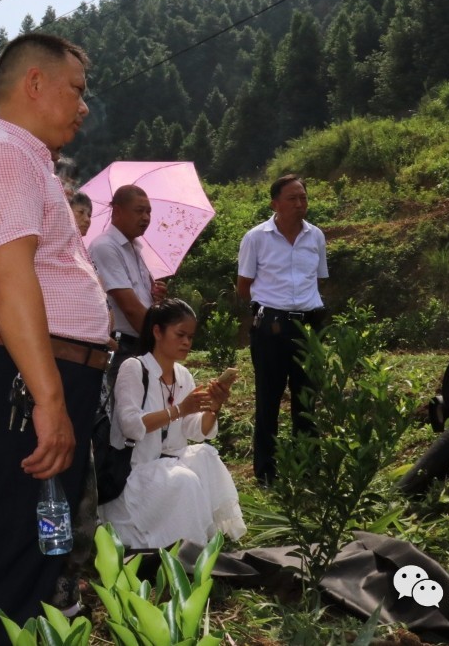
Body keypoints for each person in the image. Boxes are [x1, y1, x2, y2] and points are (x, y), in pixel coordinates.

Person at [0, 32, 110, 645]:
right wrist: (48, 400)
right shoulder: (2, 159)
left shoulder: (27, 162)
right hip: (25, 383)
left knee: (36, 563)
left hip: (37, 378)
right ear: (34, 84)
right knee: (10, 571)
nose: (84, 105)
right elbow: (8, 280)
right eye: (76, 90)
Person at [98, 299, 245, 550]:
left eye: (190, 336)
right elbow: (130, 426)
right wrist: (179, 409)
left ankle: (207, 539)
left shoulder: (183, 375)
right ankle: (186, 549)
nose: (187, 342)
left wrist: (214, 407)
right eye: (180, 335)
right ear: (157, 331)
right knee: (183, 479)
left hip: (169, 463)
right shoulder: (134, 368)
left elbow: (196, 431)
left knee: (206, 456)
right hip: (135, 472)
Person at [236, 174, 328, 486]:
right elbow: (243, 286)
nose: (300, 204)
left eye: (303, 197)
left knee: (306, 399)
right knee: (269, 399)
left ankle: (308, 470)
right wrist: (270, 308)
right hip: (270, 328)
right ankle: (266, 473)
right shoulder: (256, 238)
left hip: (309, 325)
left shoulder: (315, 236)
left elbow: (317, 278)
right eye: (292, 198)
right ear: (275, 203)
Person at [89, 185, 167, 362]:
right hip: (122, 345)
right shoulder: (106, 247)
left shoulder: (135, 248)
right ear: (117, 211)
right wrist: (159, 342)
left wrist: (155, 297)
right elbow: (130, 308)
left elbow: (140, 300)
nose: (146, 218)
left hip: (138, 341)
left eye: (148, 212)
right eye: (139, 211)